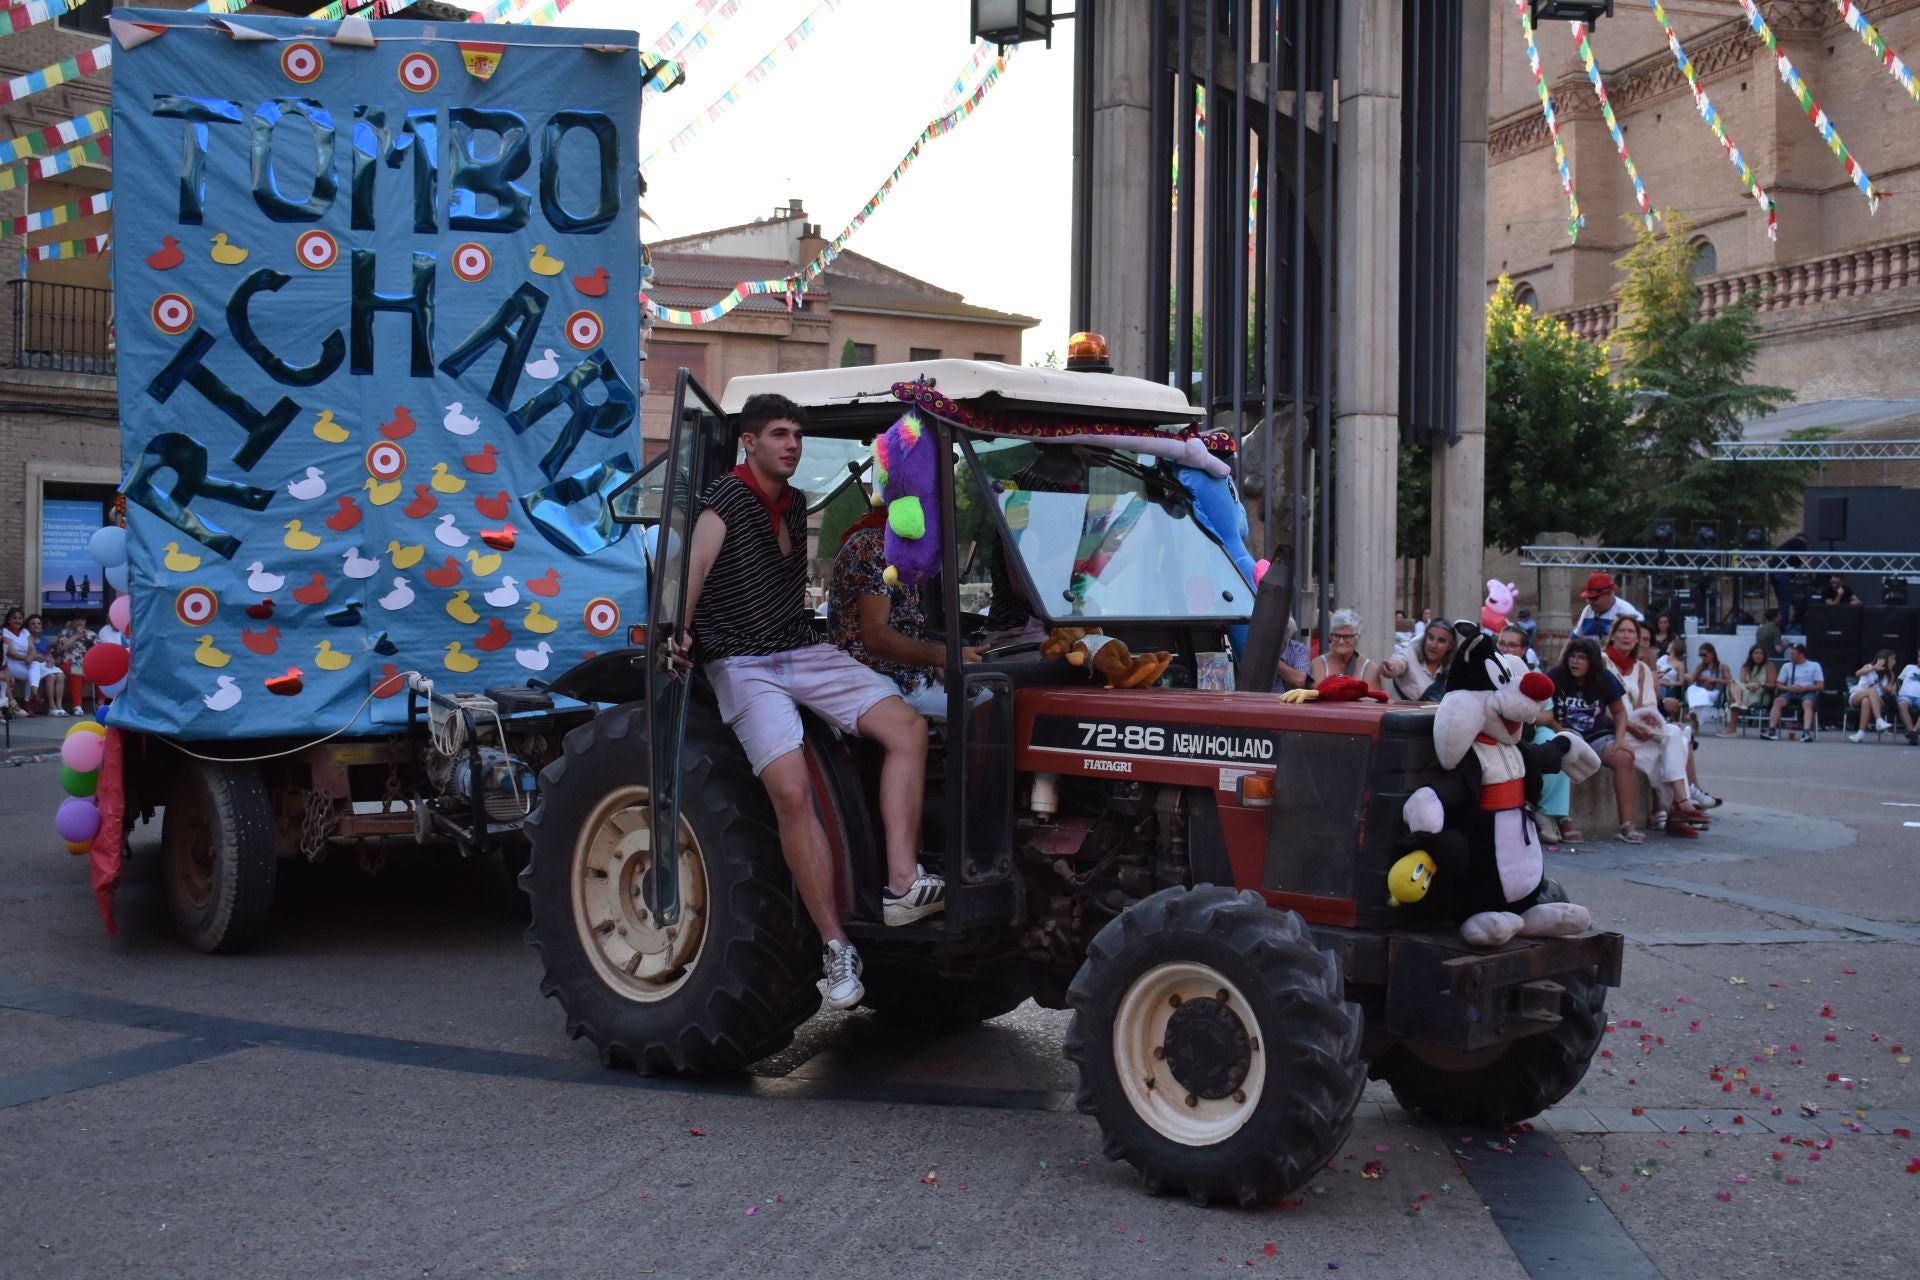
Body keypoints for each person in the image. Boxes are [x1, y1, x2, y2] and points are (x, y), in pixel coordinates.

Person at [680, 392, 943, 1013]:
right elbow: (694, 565)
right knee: (792, 790)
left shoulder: (794, 503)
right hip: (741, 661)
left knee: (907, 727)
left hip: (796, 650)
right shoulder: (723, 499)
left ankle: (903, 883)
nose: (791, 445)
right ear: (749, 442)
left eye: (797, 435)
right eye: (778, 434)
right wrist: (678, 632)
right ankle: (834, 945)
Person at [828, 504, 983, 719]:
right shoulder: (872, 545)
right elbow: (875, 637)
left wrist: (934, 661)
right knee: (910, 731)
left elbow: (906, 626)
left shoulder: (902, 550)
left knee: (995, 704)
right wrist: (944, 657)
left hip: (912, 679)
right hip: (873, 680)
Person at [1603, 616, 1714, 838]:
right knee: (1674, 742)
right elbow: (1603, 706)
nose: (1626, 636)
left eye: (1631, 632)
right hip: (1614, 730)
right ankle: (1679, 805)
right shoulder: (1603, 662)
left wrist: (1646, 718)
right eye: (1622, 631)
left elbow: (1648, 707)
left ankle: (1676, 807)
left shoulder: (1641, 668)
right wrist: (1633, 724)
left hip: (1639, 730)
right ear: (1613, 635)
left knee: (1674, 736)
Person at [980, 449, 1087, 649]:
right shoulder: (1035, 495)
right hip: (1019, 630)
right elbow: (1026, 585)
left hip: (1057, 626)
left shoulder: (1039, 491)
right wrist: (1083, 560)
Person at [1543, 637, 1641, 843]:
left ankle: (1626, 825)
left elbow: (1619, 712)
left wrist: (1621, 739)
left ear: (1592, 662)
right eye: (1572, 656)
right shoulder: (1555, 676)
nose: (1575, 662)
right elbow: (1546, 711)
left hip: (1598, 735)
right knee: (1566, 753)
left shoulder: (1604, 678)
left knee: (1624, 758)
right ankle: (1565, 819)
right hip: (1568, 732)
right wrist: (1561, 731)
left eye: (1581, 658)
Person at [1501, 627, 1575, 843]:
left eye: (1512, 644)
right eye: (1502, 643)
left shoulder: (1534, 674)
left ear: (1523, 649)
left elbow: (1547, 713)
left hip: (1530, 728)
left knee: (1554, 747)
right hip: (1500, 730)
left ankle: (1547, 814)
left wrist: (1524, 715)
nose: (1506, 648)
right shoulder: (1491, 671)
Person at [1379, 617, 1455, 701]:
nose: (1433, 645)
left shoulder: (1453, 669)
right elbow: (1399, 662)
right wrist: (1391, 668)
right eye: (1430, 638)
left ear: (1450, 646)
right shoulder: (1410, 654)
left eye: (1441, 641)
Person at [1764, 641, 1824, 742]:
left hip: (1807, 691)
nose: (1790, 655)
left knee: (1807, 703)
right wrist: (1789, 688)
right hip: (1791, 691)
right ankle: (1771, 730)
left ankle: (1806, 732)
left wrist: (1805, 688)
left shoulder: (1814, 666)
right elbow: (1778, 684)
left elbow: (1820, 685)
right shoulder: (1786, 666)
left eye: (1793, 653)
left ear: (1801, 654)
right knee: (1778, 701)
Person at [1309, 608, 1381, 689]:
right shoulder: (1319, 664)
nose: (1341, 642)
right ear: (1330, 636)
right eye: (1336, 636)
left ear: (1357, 638)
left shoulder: (1369, 668)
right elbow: (1316, 696)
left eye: (1347, 637)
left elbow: (1372, 700)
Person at [1573, 572, 1644, 640]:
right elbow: (1574, 638)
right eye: (1588, 598)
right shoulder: (1588, 610)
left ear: (1609, 594)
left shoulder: (1627, 612)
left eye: (1594, 598)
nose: (1591, 602)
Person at [1846, 649, 1897, 743]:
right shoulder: (1869, 667)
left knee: (1866, 701)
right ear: (1884, 660)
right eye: (1892, 659)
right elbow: (1858, 673)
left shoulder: (1890, 675)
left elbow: (1890, 690)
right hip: (1858, 695)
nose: (1894, 662)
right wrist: (1873, 668)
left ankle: (1860, 734)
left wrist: (1886, 687)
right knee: (1870, 691)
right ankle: (1879, 720)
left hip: (1878, 700)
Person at [22, 613, 65, 716]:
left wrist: (50, 660)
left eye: (38, 623)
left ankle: (59, 705)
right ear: (28, 627)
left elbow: (48, 655)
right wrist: (38, 656)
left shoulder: (44, 639)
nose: (36, 625)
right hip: (34, 665)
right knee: (50, 676)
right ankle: (51, 706)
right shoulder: (25, 639)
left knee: (60, 675)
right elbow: (27, 654)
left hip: (45, 665)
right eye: (33, 624)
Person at [49, 617, 93, 715]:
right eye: (77, 619)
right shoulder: (64, 633)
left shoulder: (91, 634)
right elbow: (63, 648)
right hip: (67, 663)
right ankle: (77, 706)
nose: (80, 622)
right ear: (72, 621)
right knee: (77, 672)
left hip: (86, 664)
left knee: (100, 671)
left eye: (83, 619)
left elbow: (99, 650)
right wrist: (76, 635)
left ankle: (101, 704)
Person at [1691, 642, 1735, 735]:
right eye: (1701, 655)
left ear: (1712, 653)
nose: (1703, 657)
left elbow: (1730, 681)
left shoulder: (1722, 667)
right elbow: (1692, 680)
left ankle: (1695, 719)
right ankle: (1695, 716)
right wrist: (1698, 674)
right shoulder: (1700, 667)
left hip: (1716, 692)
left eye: (1705, 655)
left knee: (1698, 696)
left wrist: (1714, 680)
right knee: (1692, 690)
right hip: (1702, 690)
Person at [1736, 644, 1774, 729]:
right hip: (1747, 689)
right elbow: (1742, 681)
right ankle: (1738, 706)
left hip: (1762, 692)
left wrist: (1760, 684)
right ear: (1751, 655)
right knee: (1735, 684)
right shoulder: (1745, 666)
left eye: (1761, 653)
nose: (1758, 655)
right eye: (1756, 653)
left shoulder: (1769, 666)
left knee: (1741, 694)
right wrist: (1749, 686)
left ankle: (1739, 707)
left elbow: (1772, 684)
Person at [1272, 615, 1312, 692]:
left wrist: (1272, 659)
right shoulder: (1255, 647)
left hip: (1289, 701)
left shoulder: (1298, 649)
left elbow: (1300, 680)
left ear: (1286, 632)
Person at [2, 607, 29, 715]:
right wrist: (29, 658)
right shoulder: (4, 632)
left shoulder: (25, 632)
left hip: (12, 665)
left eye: (20, 618)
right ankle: (13, 705)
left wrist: (31, 657)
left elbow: (32, 649)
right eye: (14, 618)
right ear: (9, 620)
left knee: (36, 668)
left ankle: (26, 703)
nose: (17, 621)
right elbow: (11, 653)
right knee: (4, 678)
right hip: (13, 663)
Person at [1895, 646, 1920, 746]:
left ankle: (1913, 732)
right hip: (1906, 695)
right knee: (1902, 704)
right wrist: (1894, 691)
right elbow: (1898, 681)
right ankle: (1912, 732)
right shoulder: (1909, 668)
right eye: (1919, 656)